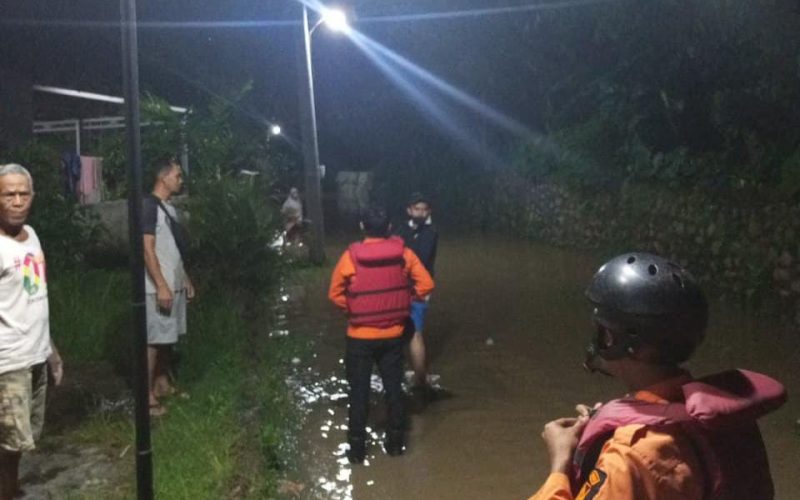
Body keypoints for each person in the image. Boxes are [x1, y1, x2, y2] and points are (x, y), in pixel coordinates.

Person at [530, 253, 785, 500]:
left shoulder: (631, 456)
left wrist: (560, 463)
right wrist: (611, 424)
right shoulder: (729, 419)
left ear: (612, 339)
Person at [328, 206, 434, 463]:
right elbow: (426, 285)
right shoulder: (404, 255)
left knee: (359, 393)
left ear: (362, 228)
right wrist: (401, 302)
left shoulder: (349, 258)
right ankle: (396, 446)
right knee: (394, 390)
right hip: (393, 335)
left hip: (359, 338)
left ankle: (356, 453)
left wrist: (355, 309)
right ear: (389, 229)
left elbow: (334, 294)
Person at [0, 164, 63, 500]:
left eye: (23, 194)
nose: (17, 201)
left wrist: (50, 350)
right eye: (9, 194)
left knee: (21, 440)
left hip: (35, 354)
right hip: (7, 362)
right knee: (9, 443)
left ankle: (10, 489)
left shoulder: (32, 235)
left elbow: (34, 294)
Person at [143, 158, 195, 417]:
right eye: (177, 175)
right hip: (156, 287)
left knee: (167, 338)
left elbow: (172, 248)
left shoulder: (168, 209)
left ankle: (162, 383)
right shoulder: (148, 207)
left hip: (173, 284)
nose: (180, 180)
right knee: (153, 340)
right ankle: (146, 397)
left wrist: (184, 278)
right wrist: (161, 285)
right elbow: (147, 248)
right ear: (163, 178)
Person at [395, 192, 438, 388]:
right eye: (416, 209)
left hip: (419, 288)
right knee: (400, 331)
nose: (420, 213)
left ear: (428, 212)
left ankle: (420, 377)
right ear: (409, 210)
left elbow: (421, 255)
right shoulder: (402, 229)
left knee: (415, 332)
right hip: (399, 287)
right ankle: (405, 372)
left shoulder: (430, 232)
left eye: (423, 210)